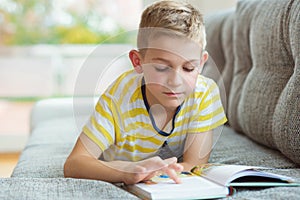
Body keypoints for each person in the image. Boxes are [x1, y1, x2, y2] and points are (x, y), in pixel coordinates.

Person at [64, 0, 227, 185]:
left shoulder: (205, 93)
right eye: (161, 67)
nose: (175, 81)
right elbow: (75, 163)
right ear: (137, 61)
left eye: (189, 68)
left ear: (202, 62)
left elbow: (194, 165)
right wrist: (126, 171)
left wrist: (159, 174)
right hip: (121, 164)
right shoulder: (117, 99)